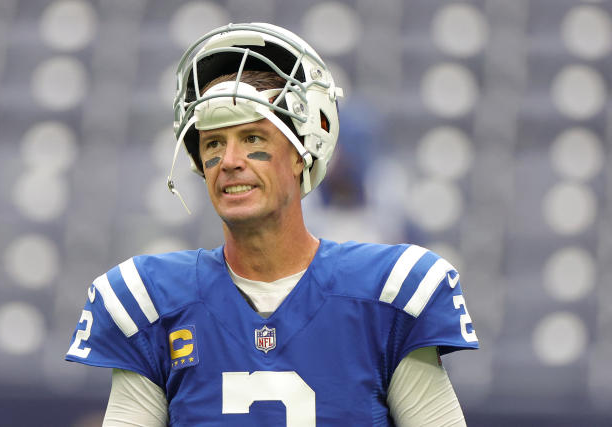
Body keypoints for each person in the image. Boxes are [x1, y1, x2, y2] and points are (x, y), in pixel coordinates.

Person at [66, 22, 479, 426]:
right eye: (213, 143)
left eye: (252, 139)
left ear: (303, 152)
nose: (228, 161)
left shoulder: (386, 298)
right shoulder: (154, 303)